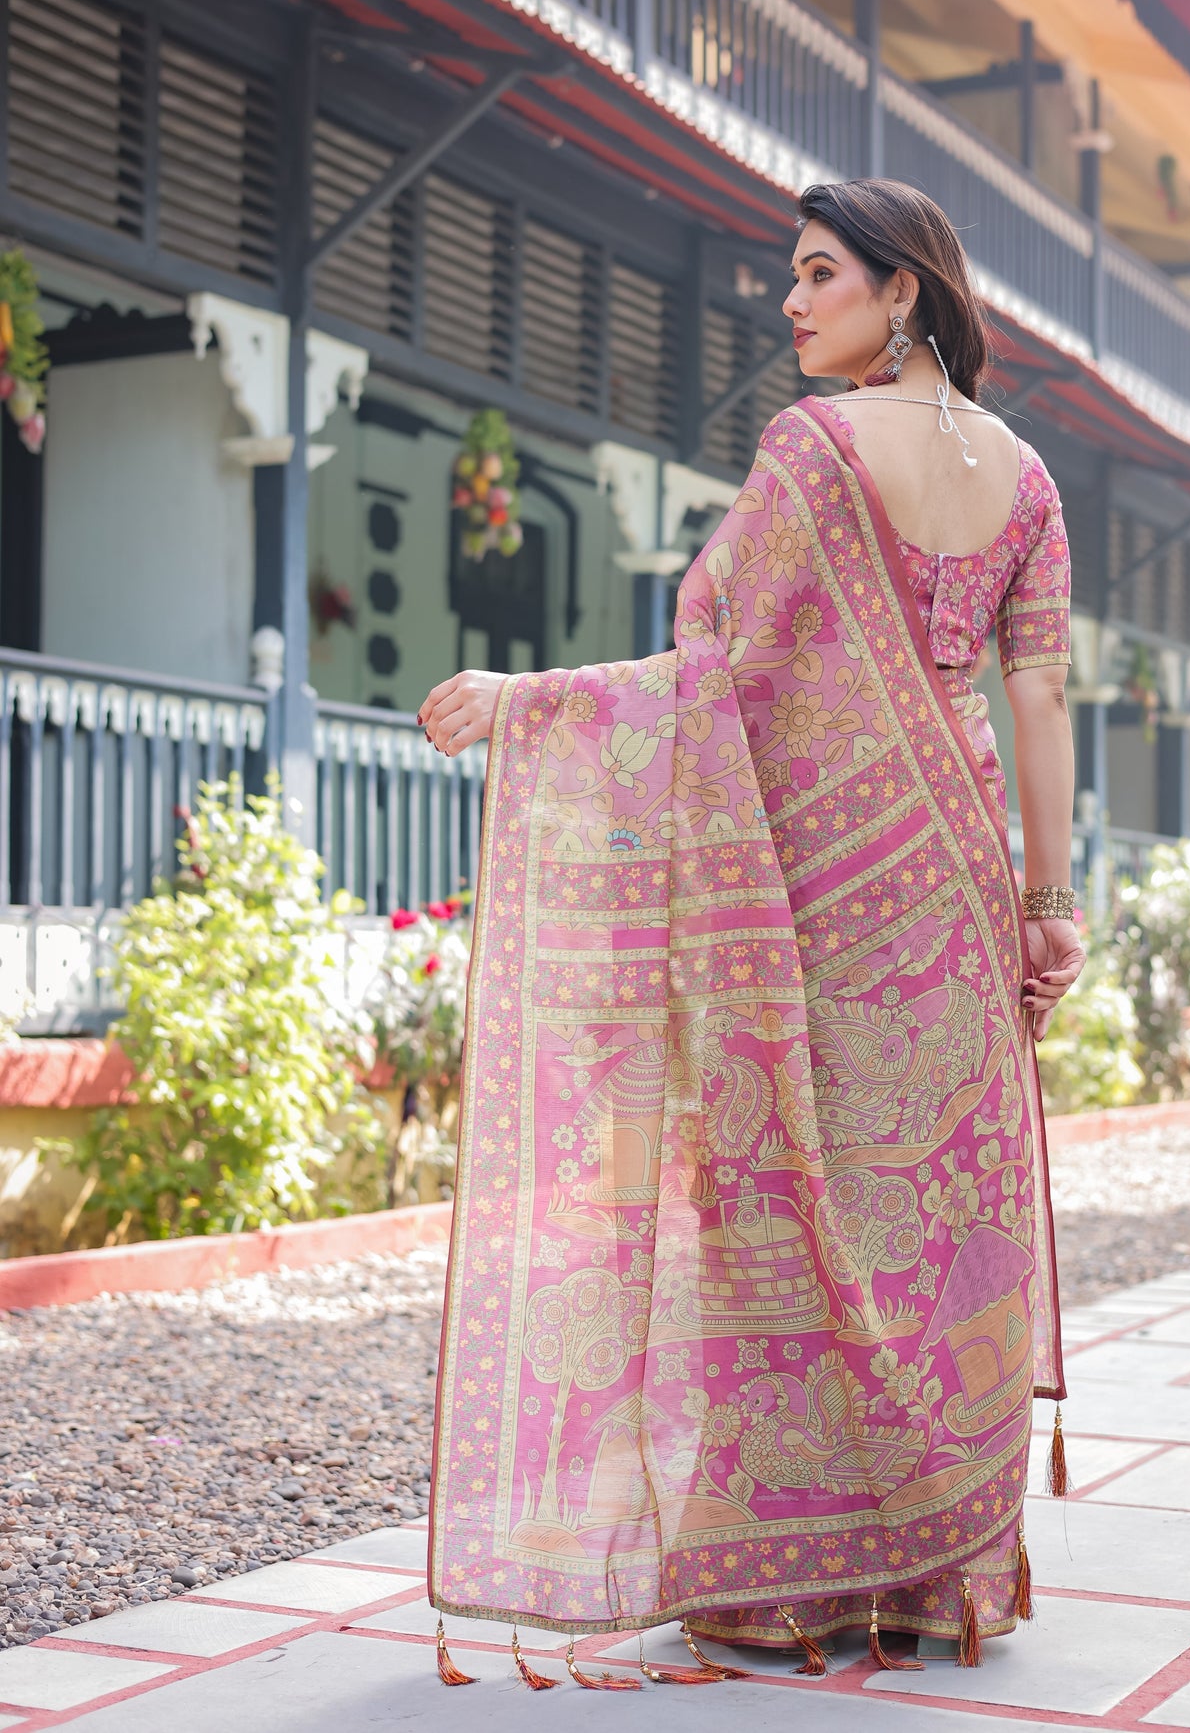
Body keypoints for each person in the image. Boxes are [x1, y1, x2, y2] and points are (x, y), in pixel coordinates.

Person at [419, 178, 1084, 1688]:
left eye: (817, 274)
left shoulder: (813, 451)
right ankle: (931, 1572)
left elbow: (713, 669)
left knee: (802, 1202)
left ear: (904, 290)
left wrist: (533, 702)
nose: (789, 303)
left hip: (827, 891)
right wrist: (1053, 903)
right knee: (934, 1214)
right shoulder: (1032, 478)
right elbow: (1037, 695)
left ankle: (790, 1583)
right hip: (963, 874)